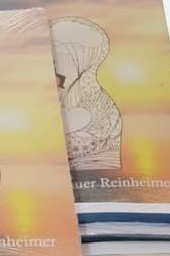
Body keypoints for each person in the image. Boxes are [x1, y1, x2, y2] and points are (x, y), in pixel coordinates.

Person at [52, 17, 122, 171]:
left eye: (57, 60)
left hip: (95, 172)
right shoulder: (66, 95)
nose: (54, 68)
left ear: (83, 61)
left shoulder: (91, 102)